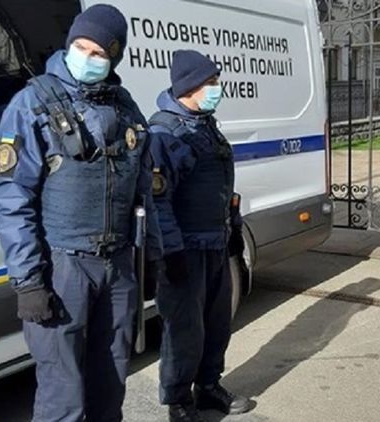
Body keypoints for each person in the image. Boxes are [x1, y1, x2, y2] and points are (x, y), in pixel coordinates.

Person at [0, 5, 163, 422]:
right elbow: (12, 199)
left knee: (111, 382)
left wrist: (153, 254)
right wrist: (28, 280)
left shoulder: (126, 107)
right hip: (62, 267)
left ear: (114, 58)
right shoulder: (32, 103)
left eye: (99, 52)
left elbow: (142, 188)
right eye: (81, 47)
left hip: (117, 265)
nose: (87, 57)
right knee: (63, 396)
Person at [148, 50, 249, 422]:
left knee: (217, 323)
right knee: (184, 330)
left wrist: (233, 228)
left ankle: (208, 386)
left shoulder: (204, 125)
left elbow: (222, 185)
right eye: (211, 82)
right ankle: (178, 401)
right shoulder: (164, 133)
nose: (217, 88)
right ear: (189, 86)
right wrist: (170, 253)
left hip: (215, 242)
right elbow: (158, 202)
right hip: (185, 250)